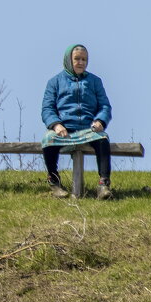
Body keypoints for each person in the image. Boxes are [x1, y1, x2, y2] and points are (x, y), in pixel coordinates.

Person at [41, 43, 113, 199]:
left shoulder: (95, 81)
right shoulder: (54, 82)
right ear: (68, 60)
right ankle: (54, 183)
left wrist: (100, 120)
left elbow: (105, 106)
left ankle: (103, 185)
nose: (81, 62)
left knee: (103, 139)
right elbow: (47, 108)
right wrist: (56, 124)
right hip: (64, 130)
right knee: (48, 139)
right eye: (77, 59)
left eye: (84, 59)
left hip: (88, 130)